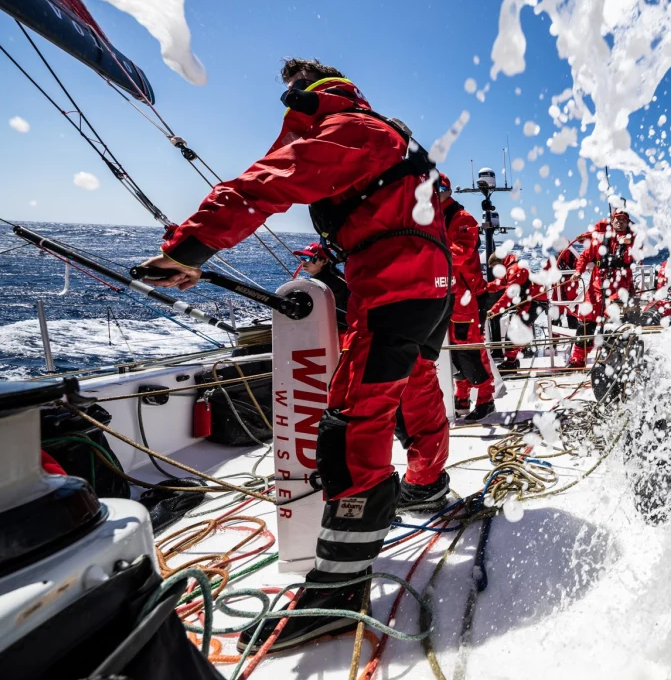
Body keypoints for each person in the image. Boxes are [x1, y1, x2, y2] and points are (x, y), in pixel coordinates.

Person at [138, 58, 452, 653]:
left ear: (308, 95)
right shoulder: (389, 135)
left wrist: (190, 248)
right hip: (422, 290)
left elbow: (270, 182)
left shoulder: (351, 130)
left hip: (392, 293)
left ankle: (337, 593)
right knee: (401, 402)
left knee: (351, 431)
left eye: (290, 96)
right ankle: (424, 489)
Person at [438, 173, 497, 422]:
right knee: (450, 351)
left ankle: (486, 398)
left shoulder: (463, 219)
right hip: (442, 294)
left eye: (437, 189)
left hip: (465, 298)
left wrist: (429, 253)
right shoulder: (429, 218)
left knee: (469, 348)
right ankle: (461, 398)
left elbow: (459, 253)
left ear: (447, 191)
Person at [568, 209, 636, 367]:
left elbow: (637, 253)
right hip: (596, 288)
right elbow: (585, 256)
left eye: (623, 220)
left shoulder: (633, 241)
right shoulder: (600, 239)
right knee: (585, 324)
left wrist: (629, 242)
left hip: (618, 290)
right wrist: (578, 271)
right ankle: (578, 360)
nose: (620, 221)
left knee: (613, 325)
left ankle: (610, 361)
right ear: (611, 221)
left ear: (628, 224)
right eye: (617, 219)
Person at [487, 252, 548, 370]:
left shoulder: (514, 270)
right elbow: (498, 284)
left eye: (495, 267)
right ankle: (513, 360)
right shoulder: (511, 269)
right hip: (531, 301)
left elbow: (508, 294)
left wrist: (494, 310)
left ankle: (511, 364)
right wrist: (483, 288)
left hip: (535, 301)